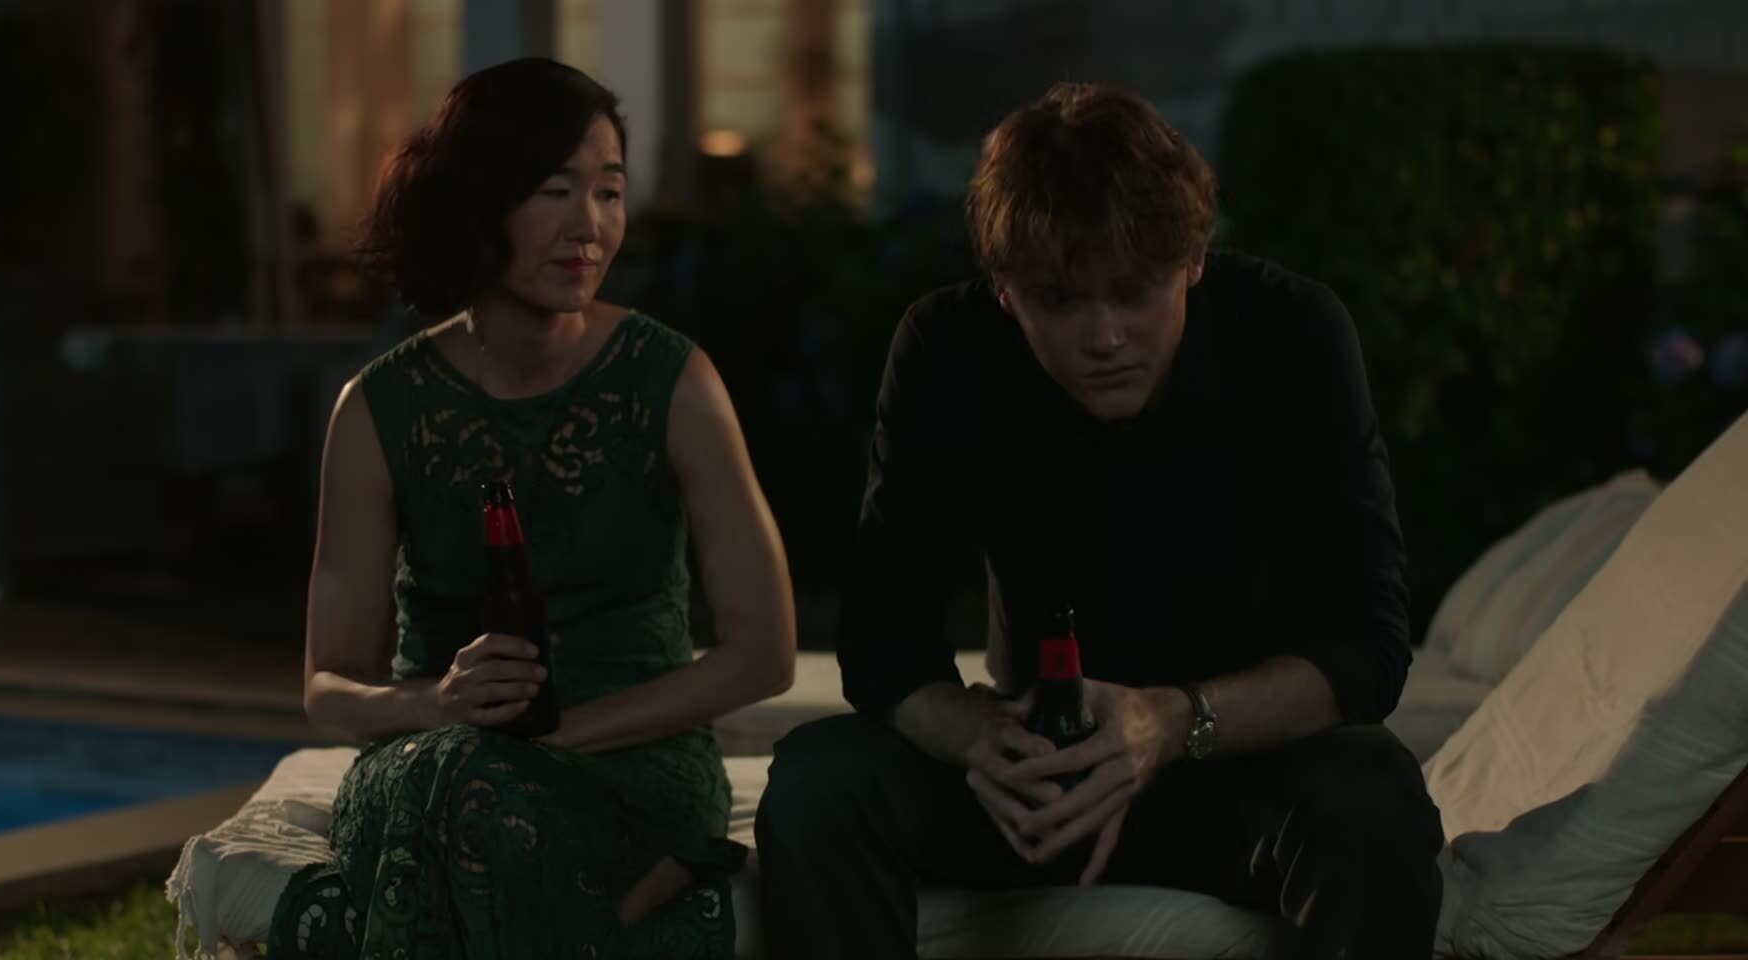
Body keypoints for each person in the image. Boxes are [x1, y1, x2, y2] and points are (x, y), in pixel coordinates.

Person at [755, 80, 1445, 960]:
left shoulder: (1291, 332)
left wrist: (1171, 721)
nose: (1105, 336)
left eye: (1136, 292)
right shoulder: (946, 345)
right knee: (820, 781)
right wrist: (981, 742)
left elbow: (1369, 649)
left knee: (1375, 797)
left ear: (1193, 261)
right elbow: (883, 643)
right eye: (1060, 300)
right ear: (1005, 291)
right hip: (1033, 772)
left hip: (1235, 765)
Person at [274, 57, 796, 960]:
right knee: (464, 787)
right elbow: (330, 685)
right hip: (434, 755)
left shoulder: (672, 380)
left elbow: (765, 652)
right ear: (480, 202)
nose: (589, 226)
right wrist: (439, 703)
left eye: (610, 192)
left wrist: (562, 736)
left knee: (474, 802)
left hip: (635, 761)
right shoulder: (377, 409)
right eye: (556, 191)